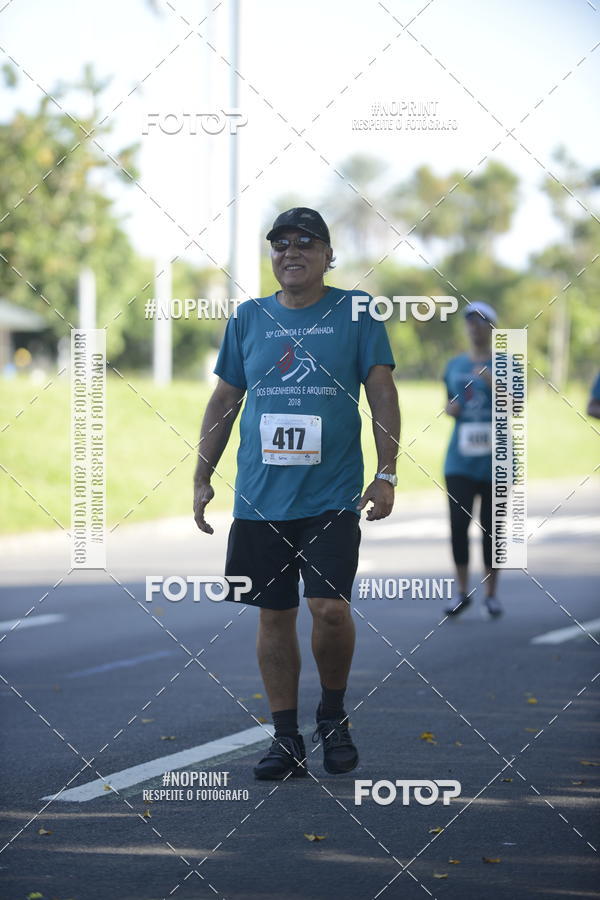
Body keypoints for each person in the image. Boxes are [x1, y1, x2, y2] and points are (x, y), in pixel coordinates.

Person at [193, 207, 400, 780]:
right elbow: (224, 401)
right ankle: (286, 740)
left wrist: (386, 473)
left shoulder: (356, 311)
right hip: (261, 498)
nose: (291, 252)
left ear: (328, 255)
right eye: (280, 243)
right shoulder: (249, 318)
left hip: (332, 494)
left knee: (329, 610)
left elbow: (381, 391)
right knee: (273, 615)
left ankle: (332, 715)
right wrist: (201, 474)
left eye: (306, 243)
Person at [442, 301, 502, 619]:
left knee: (493, 530)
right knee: (458, 528)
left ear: (492, 327)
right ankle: (462, 592)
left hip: (497, 461)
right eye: (469, 322)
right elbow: (449, 401)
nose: (474, 327)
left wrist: (491, 381)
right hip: (459, 461)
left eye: (480, 321)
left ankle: (491, 595)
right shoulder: (454, 364)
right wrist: (450, 408)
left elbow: (517, 407)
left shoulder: (505, 363)